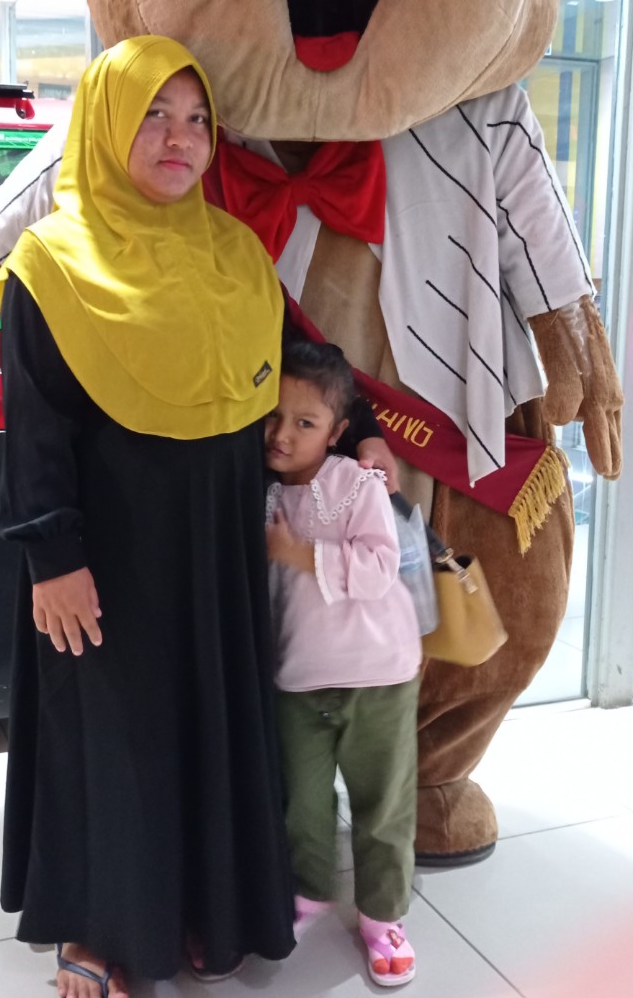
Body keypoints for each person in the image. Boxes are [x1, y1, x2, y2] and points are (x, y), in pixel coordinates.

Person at [0, 35, 303, 998]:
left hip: (216, 547)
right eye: (155, 117)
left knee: (210, 720)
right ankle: (99, 925)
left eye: (197, 119)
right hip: (108, 553)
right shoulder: (53, 262)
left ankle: (206, 905)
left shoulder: (237, 253)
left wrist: (367, 433)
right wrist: (51, 556)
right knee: (112, 734)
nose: (181, 140)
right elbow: (33, 425)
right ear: (104, 126)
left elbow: (299, 363)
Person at [264, 340, 423, 988]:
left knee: (382, 804)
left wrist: (301, 556)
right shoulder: (261, 494)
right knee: (302, 802)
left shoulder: (357, 484)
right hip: (300, 679)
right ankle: (309, 891)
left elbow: (381, 567)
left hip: (377, 675)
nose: (283, 434)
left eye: (305, 422)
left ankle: (384, 916)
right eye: (273, 416)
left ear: (336, 431)